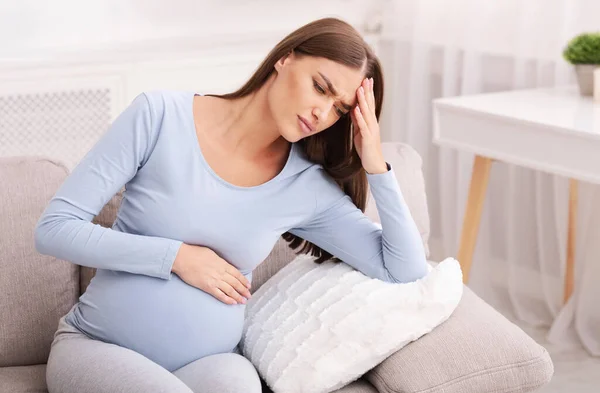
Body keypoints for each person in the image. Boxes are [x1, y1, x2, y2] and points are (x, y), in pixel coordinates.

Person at [34, 17, 428, 393]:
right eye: (321, 87)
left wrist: (375, 163)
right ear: (285, 58)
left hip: (213, 363)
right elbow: (54, 229)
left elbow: (404, 269)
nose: (322, 113)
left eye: (340, 109)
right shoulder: (159, 117)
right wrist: (177, 257)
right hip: (98, 347)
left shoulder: (307, 187)